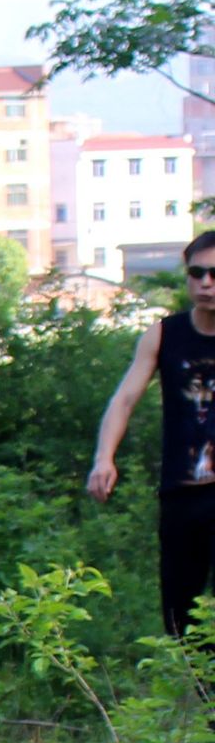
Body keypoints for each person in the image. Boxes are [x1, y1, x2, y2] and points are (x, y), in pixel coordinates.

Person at [89, 228, 215, 637]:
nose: (205, 283)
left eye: (214, 274)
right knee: (181, 613)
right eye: (197, 273)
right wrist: (104, 458)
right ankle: (199, 697)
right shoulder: (164, 335)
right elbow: (124, 399)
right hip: (181, 493)